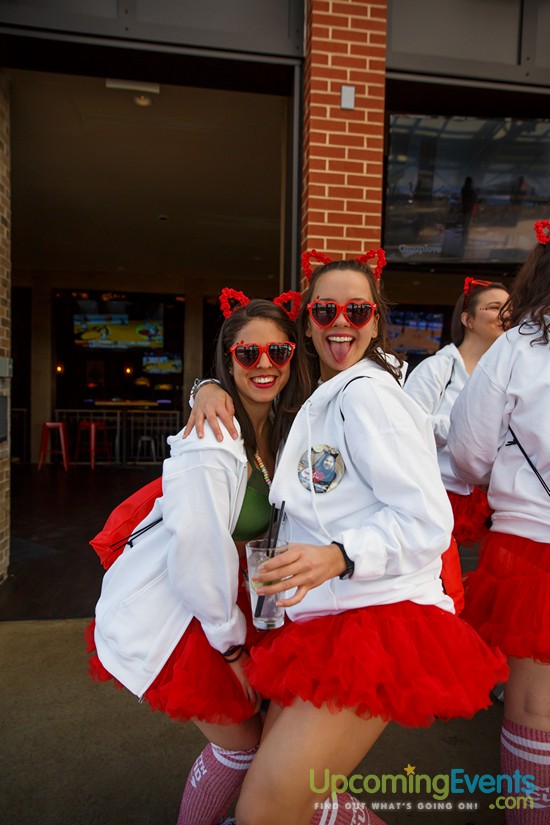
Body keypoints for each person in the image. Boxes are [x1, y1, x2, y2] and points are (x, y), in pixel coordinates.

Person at [189, 249, 508, 825]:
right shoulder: (324, 392)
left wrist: (339, 556)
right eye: (325, 310)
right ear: (308, 323)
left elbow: (427, 520)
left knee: (266, 810)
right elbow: (254, 368)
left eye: (357, 310)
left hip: (373, 623)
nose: (341, 322)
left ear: (376, 320)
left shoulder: (369, 396)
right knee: (295, 799)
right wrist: (207, 385)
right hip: (326, 622)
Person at [85, 295, 306, 825]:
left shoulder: (282, 427)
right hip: (196, 614)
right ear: (228, 359)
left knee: (259, 746)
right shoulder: (212, 438)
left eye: (278, 351)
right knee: (243, 748)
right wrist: (232, 650)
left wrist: (202, 386)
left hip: (243, 602)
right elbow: (197, 550)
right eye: (248, 353)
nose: (265, 364)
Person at [448, 219, 550, 823]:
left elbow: (469, 450)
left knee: (534, 709)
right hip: (529, 543)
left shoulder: (517, 347)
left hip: (529, 545)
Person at [404, 277, 510, 610]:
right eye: (494, 307)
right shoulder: (438, 368)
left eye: (509, 309)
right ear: (468, 319)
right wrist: (466, 427)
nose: (505, 315)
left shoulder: (506, 372)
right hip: (440, 497)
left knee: (489, 591)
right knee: (444, 592)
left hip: (489, 501)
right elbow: (408, 424)